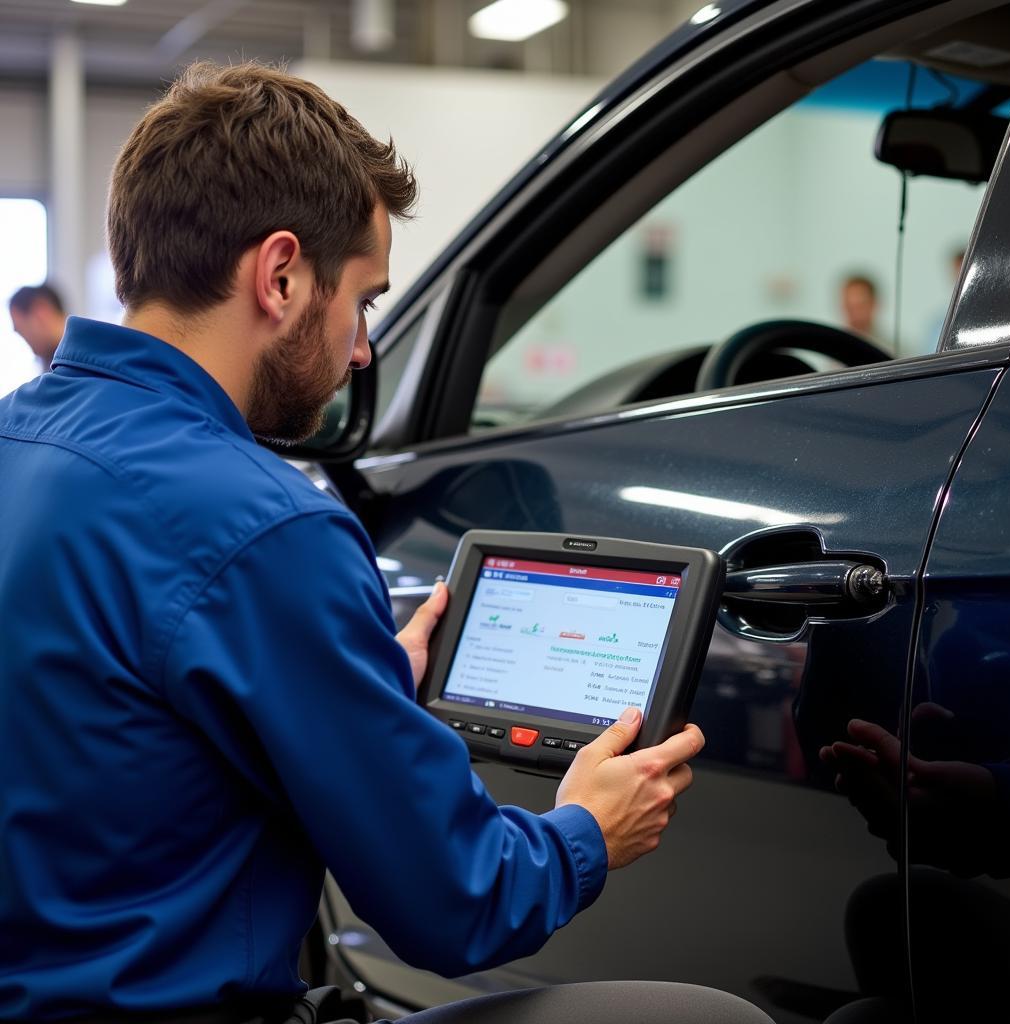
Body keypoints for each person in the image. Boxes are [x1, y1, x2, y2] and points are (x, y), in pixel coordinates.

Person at [0, 63, 771, 1024]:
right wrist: (586, 831)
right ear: (280, 275)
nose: (361, 348)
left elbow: (129, 725)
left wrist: (356, 684)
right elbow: (454, 906)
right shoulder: (266, 527)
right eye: (363, 300)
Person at [7, 282, 66, 371]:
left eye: (21, 330)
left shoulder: (79, 361)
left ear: (41, 312)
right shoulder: (53, 362)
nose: (25, 339)